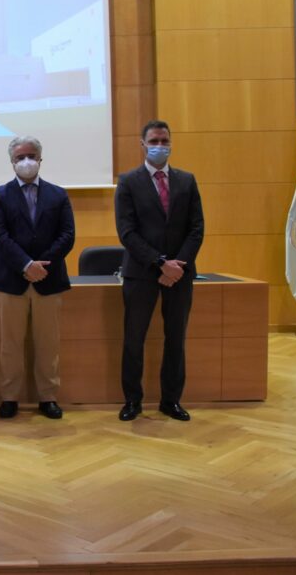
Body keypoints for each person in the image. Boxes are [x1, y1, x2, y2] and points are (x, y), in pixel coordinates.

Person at [115, 120, 204, 422]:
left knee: (175, 338)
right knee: (133, 339)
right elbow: (126, 232)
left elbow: (196, 229)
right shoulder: (128, 181)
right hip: (141, 273)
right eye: (154, 140)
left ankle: (171, 400)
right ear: (142, 144)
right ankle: (132, 401)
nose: (160, 146)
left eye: (165, 140)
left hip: (180, 274)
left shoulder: (187, 181)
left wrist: (177, 265)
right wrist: (160, 263)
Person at [0, 136, 75, 420]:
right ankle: (9, 397)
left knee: (48, 344)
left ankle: (48, 397)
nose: (27, 161)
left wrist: (41, 265)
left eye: (31, 155)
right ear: (12, 162)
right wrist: (25, 264)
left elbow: (68, 235)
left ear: (40, 158)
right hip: (11, 281)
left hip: (49, 279)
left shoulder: (58, 195)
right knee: (10, 344)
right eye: (20, 157)